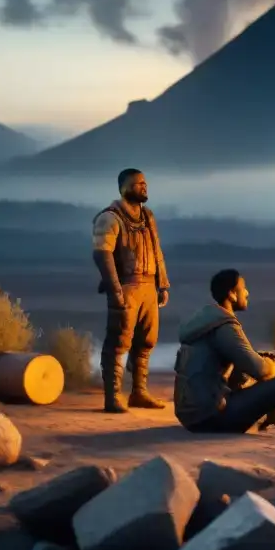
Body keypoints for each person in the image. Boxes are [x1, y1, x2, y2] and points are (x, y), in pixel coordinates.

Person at [174, 269, 275, 433]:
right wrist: (274, 364)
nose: (247, 293)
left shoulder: (205, 322)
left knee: (243, 366)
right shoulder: (224, 327)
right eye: (243, 288)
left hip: (190, 416)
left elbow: (242, 362)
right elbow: (259, 370)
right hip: (209, 417)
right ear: (231, 294)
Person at [92, 168, 171, 413]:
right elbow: (102, 254)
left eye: (145, 183)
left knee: (146, 341)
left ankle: (139, 393)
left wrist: (163, 284)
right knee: (119, 341)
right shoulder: (110, 218)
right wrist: (115, 288)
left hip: (148, 285)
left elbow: (157, 251)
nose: (144, 187)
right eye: (138, 183)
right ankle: (112, 397)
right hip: (127, 285)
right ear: (123, 188)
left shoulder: (148, 216)